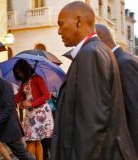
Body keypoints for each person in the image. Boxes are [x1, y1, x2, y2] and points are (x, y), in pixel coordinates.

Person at [51, 1, 137, 160]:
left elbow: (91, 129)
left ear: (79, 21)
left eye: (61, 24)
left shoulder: (91, 53)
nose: (58, 31)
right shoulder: (94, 50)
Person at [96, 24, 138, 155]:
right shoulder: (117, 60)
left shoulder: (124, 63)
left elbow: (134, 111)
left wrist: (132, 152)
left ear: (99, 41)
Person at [14, 59, 54, 160]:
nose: (20, 75)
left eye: (21, 72)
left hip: (40, 113)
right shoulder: (23, 83)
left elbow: (46, 95)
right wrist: (21, 103)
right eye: (18, 73)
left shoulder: (37, 79)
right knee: (36, 140)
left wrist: (31, 103)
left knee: (31, 140)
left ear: (26, 70)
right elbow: (18, 97)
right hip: (30, 113)